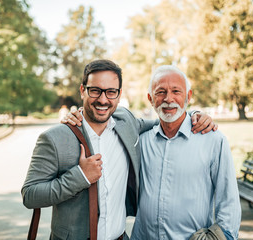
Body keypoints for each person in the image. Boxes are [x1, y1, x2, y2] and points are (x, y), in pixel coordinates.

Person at [21, 59, 216, 240]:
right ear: (82, 90)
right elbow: (30, 195)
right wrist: (79, 177)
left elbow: (165, 120)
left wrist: (194, 115)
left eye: (111, 92)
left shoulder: (127, 123)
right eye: (95, 90)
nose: (103, 100)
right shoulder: (55, 138)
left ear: (119, 94)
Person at [130, 65, 241, 240]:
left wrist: (222, 237)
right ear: (150, 99)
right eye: (161, 92)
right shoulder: (141, 142)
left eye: (176, 91)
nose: (168, 99)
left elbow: (229, 202)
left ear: (188, 96)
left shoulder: (213, 141)